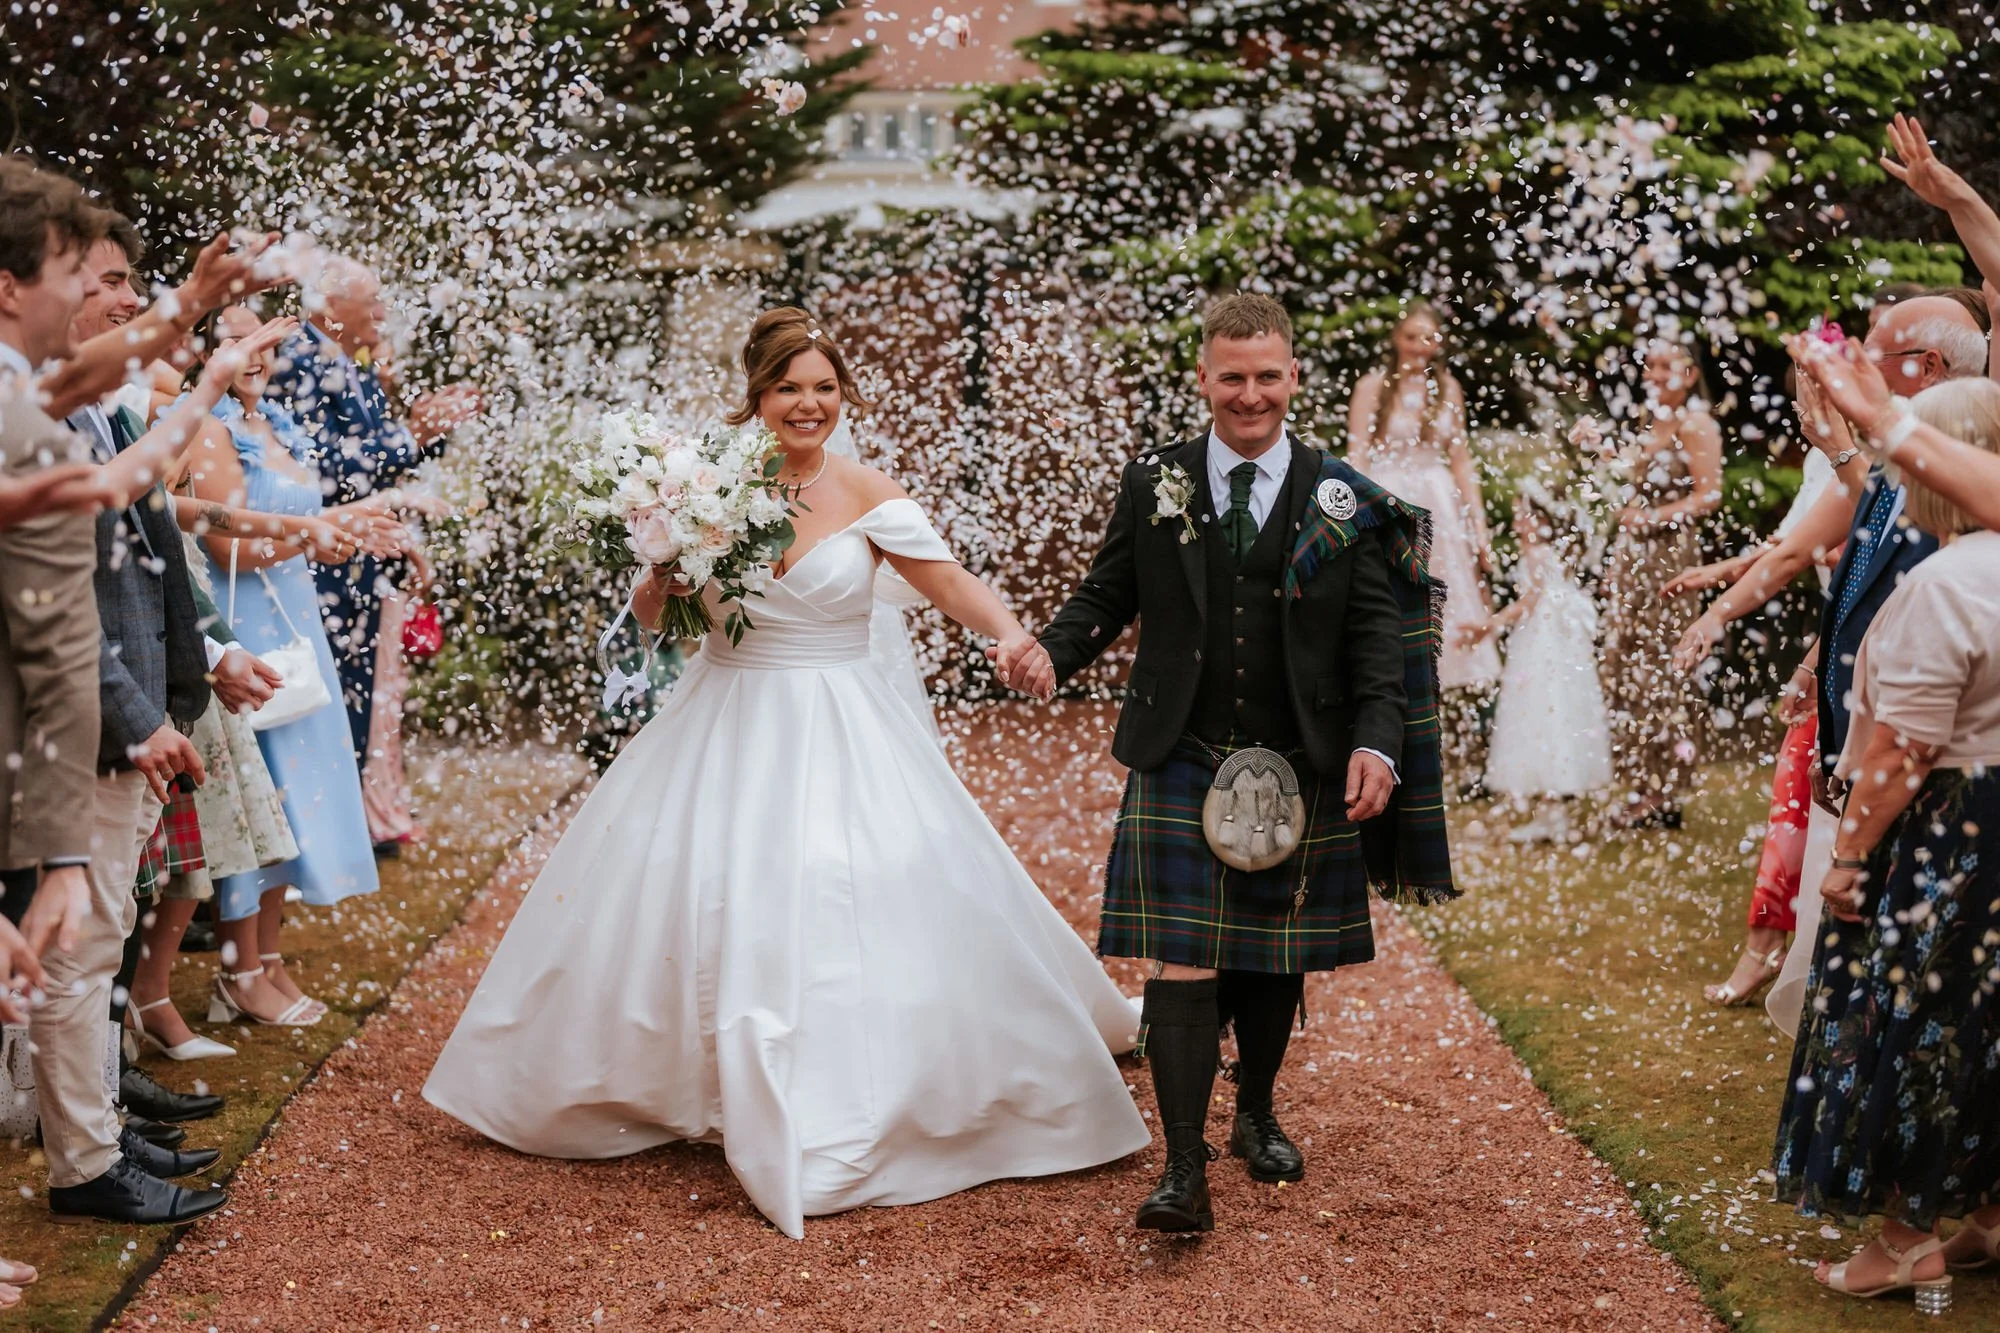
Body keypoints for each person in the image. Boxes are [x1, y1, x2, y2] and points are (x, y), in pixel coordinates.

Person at [425, 308, 1148, 1239]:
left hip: (845, 721)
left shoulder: (869, 491)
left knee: (854, 879)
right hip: (726, 715)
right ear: (758, 397)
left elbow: (952, 582)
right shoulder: (706, 487)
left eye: (823, 388)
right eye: (788, 389)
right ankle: (679, 1077)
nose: (808, 404)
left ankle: (869, 1082)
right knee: (700, 886)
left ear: (842, 397)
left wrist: (1012, 635)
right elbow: (652, 621)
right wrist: (660, 572)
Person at [1000, 293, 1453, 1233]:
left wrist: (1378, 739)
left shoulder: (1340, 495)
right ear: (1203, 379)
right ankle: (1180, 1168)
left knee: (1272, 956)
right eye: (1233, 376)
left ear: (1294, 378)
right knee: (1183, 957)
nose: (1251, 394)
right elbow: (1108, 589)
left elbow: (1376, 641)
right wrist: (1053, 648)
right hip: (1183, 753)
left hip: (1301, 757)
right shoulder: (1154, 479)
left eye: (1268, 376)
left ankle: (1255, 1109)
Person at [1770, 376, 2000, 1307]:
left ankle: (1907, 1242)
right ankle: (1987, 1212)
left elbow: (1904, 752)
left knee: (1906, 1027)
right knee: (1986, 1021)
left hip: (1943, 833)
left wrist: (1853, 855)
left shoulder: (1944, 583)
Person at [182, 304, 396, 1027]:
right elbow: (223, 547)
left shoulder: (273, 421)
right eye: (233, 338)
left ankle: (269, 957)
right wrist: (315, 538)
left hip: (297, 623)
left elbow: (302, 527)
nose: (253, 351)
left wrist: (347, 528)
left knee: (296, 798)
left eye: (260, 338)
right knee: (262, 795)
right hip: (247, 626)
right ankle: (236, 969)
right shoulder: (207, 425)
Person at [1664, 356, 1861, 1007]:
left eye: (1815, 385)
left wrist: (1807, 660)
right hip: (1836, 650)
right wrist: (1719, 593)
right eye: (1802, 386)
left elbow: (1830, 563)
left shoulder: (1890, 457)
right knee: (1795, 799)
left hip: (1872, 663)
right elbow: (1790, 547)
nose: (1805, 402)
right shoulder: (1824, 462)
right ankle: (1767, 944)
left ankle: (1813, 954)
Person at [269, 256, 478, 774]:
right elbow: (316, 468)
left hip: (363, 561)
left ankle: (355, 822)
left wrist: (428, 430)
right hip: (324, 563)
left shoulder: (351, 361)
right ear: (332, 307)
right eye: (373, 303)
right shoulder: (299, 359)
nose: (383, 314)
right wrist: (411, 436)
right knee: (332, 699)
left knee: (360, 702)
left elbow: (375, 462)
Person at [1345, 302, 1498, 773]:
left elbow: (1462, 461)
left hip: (1439, 506)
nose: (1418, 346)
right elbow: (1357, 450)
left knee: (1441, 609)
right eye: (1411, 336)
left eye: (1427, 338)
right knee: (1389, 600)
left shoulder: (1448, 388)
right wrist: (1354, 514)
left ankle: (1445, 745)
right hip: (1389, 497)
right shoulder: (1373, 386)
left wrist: (1479, 527)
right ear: (1397, 339)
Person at [1576, 340, 1723, 828]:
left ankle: (1664, 791)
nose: (1656, 373)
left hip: (1669, 559)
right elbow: (1623, 482)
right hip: (1631, 559)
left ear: (1689, 371)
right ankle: (1640, 782)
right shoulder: (1647, 422)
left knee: (1663, 667)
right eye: (1651, 364)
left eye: (1667, 365)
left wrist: (1654, 517)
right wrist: (1596, 449)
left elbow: (1710, 496)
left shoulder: (1696, 424)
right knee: (1625, 667)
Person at [1473, 483, 1611, 841]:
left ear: (1542, 519)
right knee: (1558, 715)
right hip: (1558, 643)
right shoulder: (1553, 553)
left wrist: (1488, 627)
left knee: (1541, 715)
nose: (1517, 524)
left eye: (1523, 516)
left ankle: (1552, 814)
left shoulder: (1536, 554)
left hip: (1542, 642)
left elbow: (1529, 602)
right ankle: (1554, 814)